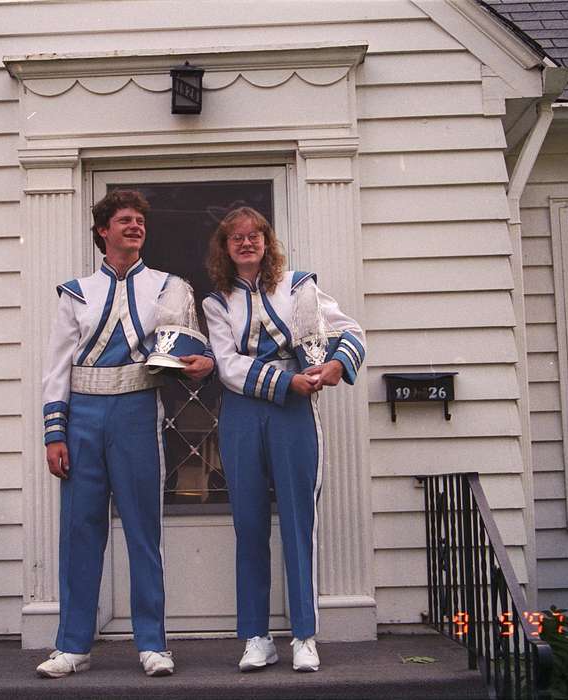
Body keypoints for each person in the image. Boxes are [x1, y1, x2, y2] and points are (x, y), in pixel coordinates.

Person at [37, 190, 214, 678]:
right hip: (85, 418)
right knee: (80, 531)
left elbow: (183, 348)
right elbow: (56, 368)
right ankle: (73, 645)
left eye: (139, 221)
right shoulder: (76, 292)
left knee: (143, 530)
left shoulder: (168, 287)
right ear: (103, 231)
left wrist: (198, 364)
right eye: (124, 221)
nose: (134, 227)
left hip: (139, 410)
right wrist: (56, 434)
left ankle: (153, 643)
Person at [202, 207, 366, 673]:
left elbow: (350, 331)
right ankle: (256, 637)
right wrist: (282, 384)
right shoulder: (215, 303)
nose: (246, 243)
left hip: (296, 412)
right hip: (242, 412)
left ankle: (304, 636)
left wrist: (334, 366)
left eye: (255, 235)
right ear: (225, 246)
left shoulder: (298, 286)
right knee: (248, 524)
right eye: (236, 237)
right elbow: (228, 365)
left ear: (267, 241)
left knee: (299, 522)